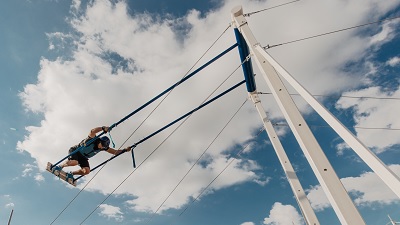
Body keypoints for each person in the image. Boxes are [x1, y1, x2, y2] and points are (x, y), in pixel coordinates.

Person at [52, 126, 131, 180]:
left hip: (83, 157)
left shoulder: (103, 148)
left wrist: (124, 150)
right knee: (74, 162)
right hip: (76, 151)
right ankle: (60, 166)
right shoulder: (92, 139)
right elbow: (92, 131)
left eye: (104, 147)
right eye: (102, 145)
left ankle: (71, 174)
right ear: (100, 141)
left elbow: (114, 152)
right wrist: (103, 128)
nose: (102, 147)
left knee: (86, 171)